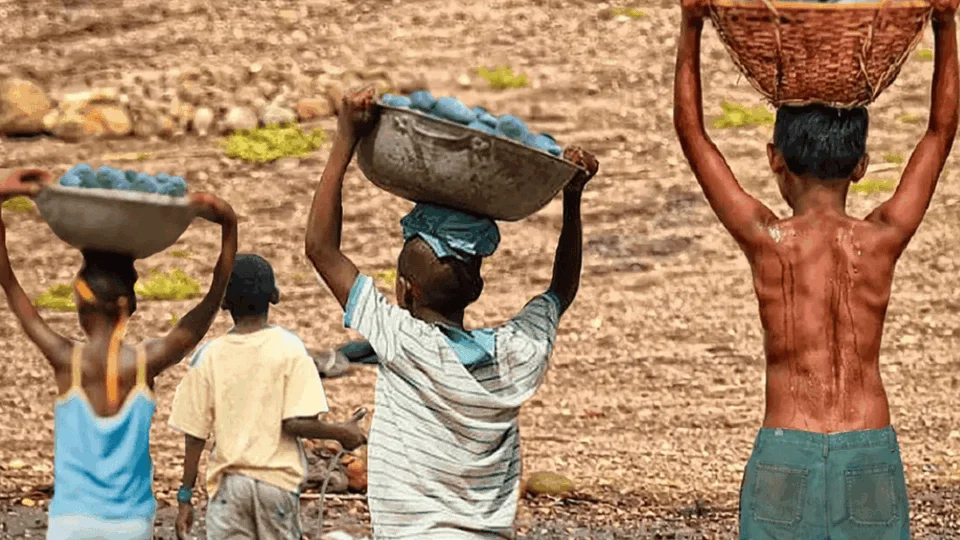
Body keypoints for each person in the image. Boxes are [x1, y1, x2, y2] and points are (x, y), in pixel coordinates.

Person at [674, 0, 959, 537]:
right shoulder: (881, 239)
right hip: (867, 444)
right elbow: (940, 134)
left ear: (774, 159)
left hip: (788, 446)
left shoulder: (768, 241)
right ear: (862, 166)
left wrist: (691, 26)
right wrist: (946, 25)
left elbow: (694, 137)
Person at [305, 87, 599, 539]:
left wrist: (344, 138)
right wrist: (572, 198)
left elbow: (321, 249)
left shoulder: (401, 341)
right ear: (476, 287)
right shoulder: (515, 355)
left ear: (404, 291)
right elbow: (561, 289)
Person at [0, 169, 238, 540]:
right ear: (131, 305)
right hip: (130, 525)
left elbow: (12, 288)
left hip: (71, 524)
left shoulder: (66, 360)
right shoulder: (146, 362)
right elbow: (208, 305)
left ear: (79, 299)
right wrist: (228, 226)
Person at [167, 253, 367, 540]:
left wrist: (185, 497)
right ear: (275, 296)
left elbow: (194, 434)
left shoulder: (208, 356)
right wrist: (342, 432)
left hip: (229, 488)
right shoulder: (290, 349)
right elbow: (296, 423)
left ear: (222, 302)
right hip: (276, 486)